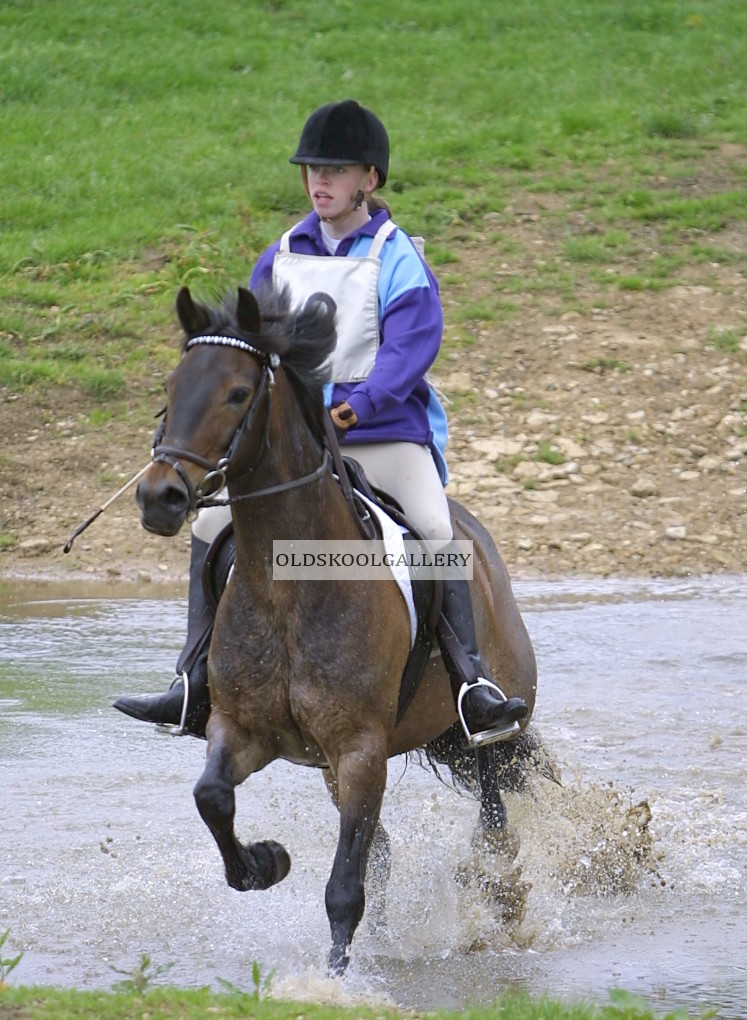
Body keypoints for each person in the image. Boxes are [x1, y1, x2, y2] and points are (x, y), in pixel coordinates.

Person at [115, 99, 528, 747]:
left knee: (433, 526)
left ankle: (471, 683)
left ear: (368, 177)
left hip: (384, 436)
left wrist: (351, 406)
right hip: (296, 445)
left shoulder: (396, 258)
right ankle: (192, 679)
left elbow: (408, 352)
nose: (319, 182)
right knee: (210, 522)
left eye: (334, 170)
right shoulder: (278, 257)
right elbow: (244, 353)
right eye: (311, 169)